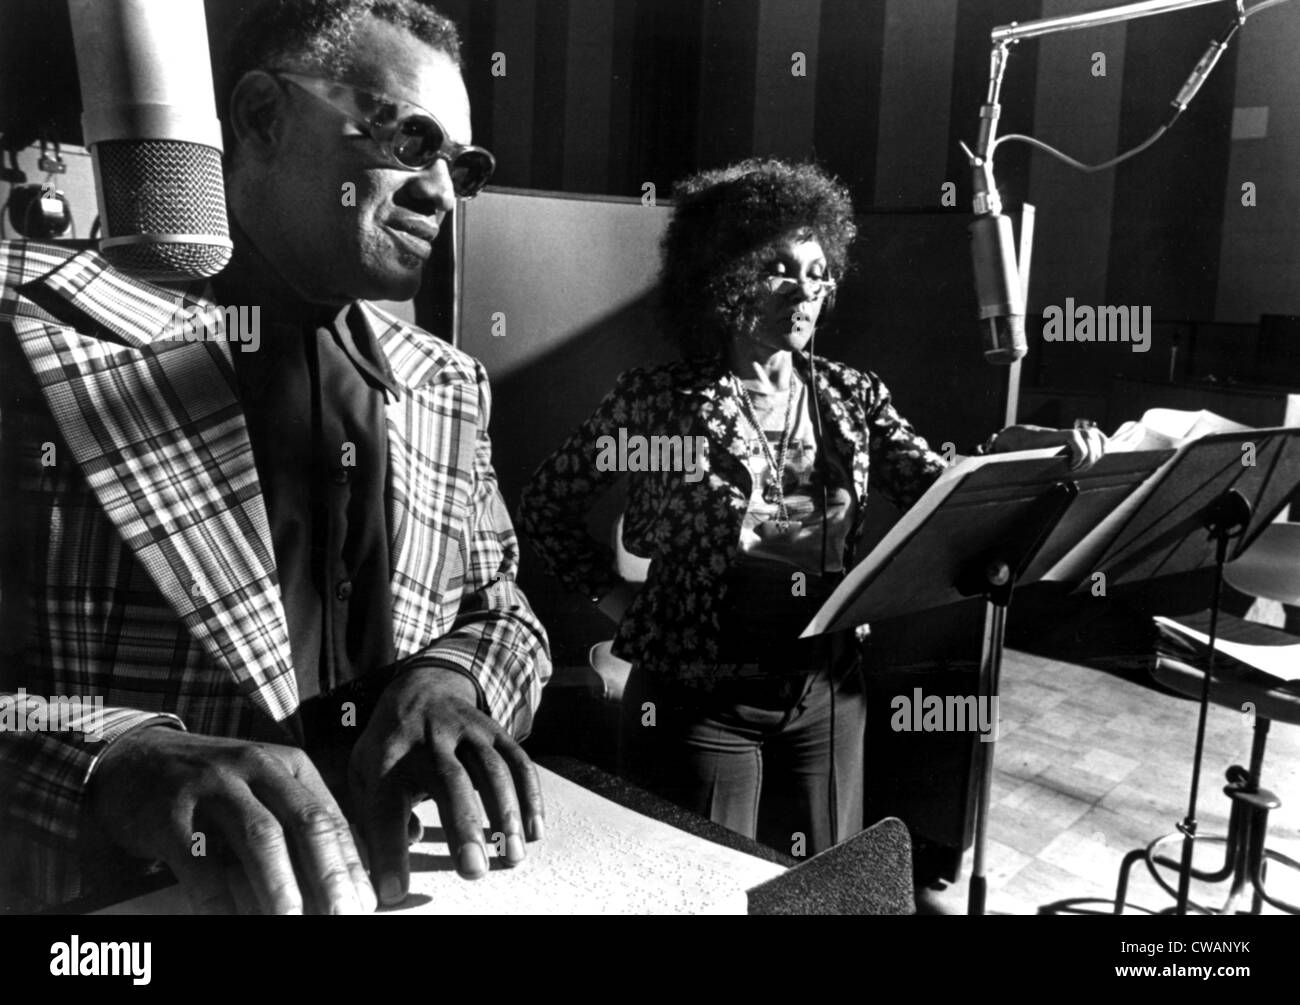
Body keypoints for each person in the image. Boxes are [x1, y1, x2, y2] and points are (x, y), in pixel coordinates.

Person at [0, 0, 550, 914]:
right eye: (412, 142)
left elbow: (506, 615)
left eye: (464, 167)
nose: (444, 195)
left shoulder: (447, 383)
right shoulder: (30, 338)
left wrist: (454, 677)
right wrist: (106, 760)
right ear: (259, 116)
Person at [519, 158, 1103, 857]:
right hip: (699, 696)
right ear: (726, 274)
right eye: (781, 269)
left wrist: (1031, 454)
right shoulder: (658, 403)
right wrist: (619, 600)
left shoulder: (851, 395)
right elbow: (548, 503)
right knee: (702, 885)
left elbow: (939, 488)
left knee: (824, 886)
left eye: (819, 271)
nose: (807, 290)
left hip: (826, 687)